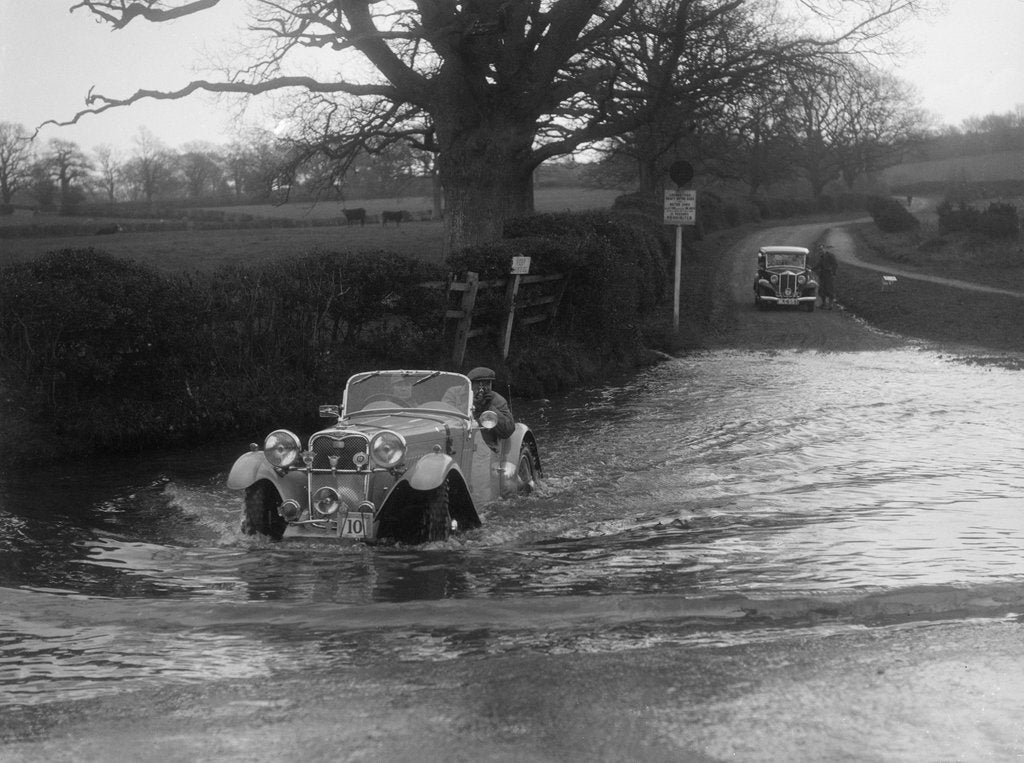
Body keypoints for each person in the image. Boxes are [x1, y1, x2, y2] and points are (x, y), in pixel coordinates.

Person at [466, 366, 515, 449]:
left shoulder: (497, 400)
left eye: (487, 383)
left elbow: (508, 430)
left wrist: (488, 407)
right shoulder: (455, 394)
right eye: (478, 383)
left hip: (487, 445)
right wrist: (471, 403)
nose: (482, 388)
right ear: (470, 384)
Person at [815, 244, 839, 309]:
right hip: (822, 275)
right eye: (819, 250)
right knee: (822, 290)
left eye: (821, 249)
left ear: (824, 249)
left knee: (830, 289)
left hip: (829, 275)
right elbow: (818, 265)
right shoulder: (821, 257)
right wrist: (812, 269)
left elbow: (835, 264)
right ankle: (824, 303)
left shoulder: (830, 255)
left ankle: (830, 305)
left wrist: (833, 272)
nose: (820, 251)